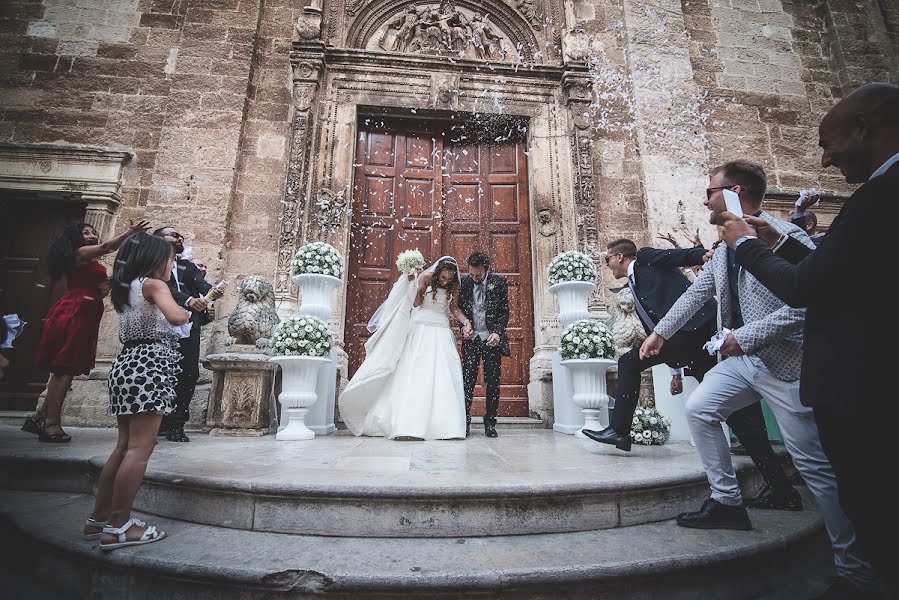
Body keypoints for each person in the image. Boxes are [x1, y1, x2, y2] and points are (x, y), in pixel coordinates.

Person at [642, 160, 875, 597]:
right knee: (700, 408)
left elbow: (805, 306)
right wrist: (658, 333)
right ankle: (727, 501)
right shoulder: (725, 241)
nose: (704, 199)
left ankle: (855, 569)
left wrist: (742, 339)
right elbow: (699, 291)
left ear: (734, 191)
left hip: (787, 364)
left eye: (710, 191)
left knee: (814, 467)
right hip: (746, 360)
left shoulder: (787, 237)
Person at [721, 82, 899, 598]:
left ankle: (868, 579)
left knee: (872, 504)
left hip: (860, 388)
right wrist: (782, 245)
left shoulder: (880, 197)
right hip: (856, 383)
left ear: (864, 128)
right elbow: (840, 278)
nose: (822, 159)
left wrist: (747, 247)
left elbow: (805, 292)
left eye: (829, 142)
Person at [583, 240, 798, 510]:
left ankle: (619, 430)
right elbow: (655, 322)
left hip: (694, 329)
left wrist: (702, 254)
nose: (606, 265)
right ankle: (781, 488)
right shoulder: (634, 283)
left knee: (629, 362)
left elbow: (674, 257)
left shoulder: (647, 259)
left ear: (620, 256)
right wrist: (675, 371)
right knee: (737, 414)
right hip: (690, 343)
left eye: (607, 259)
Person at [82, 232, 188, 550]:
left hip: (126, 363)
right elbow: (176, 316)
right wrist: (186, 310)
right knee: (140, 450)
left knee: (123, 446)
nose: (173, 264)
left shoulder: (123, 286)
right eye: (170, 258)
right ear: (156, 260)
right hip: (149, 367)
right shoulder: (154, 284)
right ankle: (119, 525)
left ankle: (98, 518)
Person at [23, 219, 149, 443]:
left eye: (93, 232)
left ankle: (41, 415)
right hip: (76, 310)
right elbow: (106, 248)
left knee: (63, 368)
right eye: (86, 232)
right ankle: (51, 424)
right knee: (64, 368)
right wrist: (130, 232)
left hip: (88, 309)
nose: (91, 235)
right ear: (76, 237)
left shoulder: (88, 259)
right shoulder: (79, 253)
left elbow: (100, 285)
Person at [338, 256, 471, 440]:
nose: (445, 281)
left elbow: (454, 309)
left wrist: (465, 322)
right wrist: (414, 285)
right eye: (443, 278)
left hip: (441, 329)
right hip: (421, 327)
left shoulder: (454, 285)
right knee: (416, 372)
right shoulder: (425, 277)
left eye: (449, 279)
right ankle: (409, 423)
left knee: (443, 376)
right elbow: (416, 304)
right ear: (437, 273)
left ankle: (445, 426)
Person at [152, 227, 223, 442]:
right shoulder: (153, 267)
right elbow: (166, 289)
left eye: (180, 236)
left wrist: (212, 292)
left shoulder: (186, 266)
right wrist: (189, 300)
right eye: (173, 235)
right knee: (159, 372)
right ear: (159, 239)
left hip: (188, 326)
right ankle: (156, 421)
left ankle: (177, 422)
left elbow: (201, 285)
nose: (179, 238)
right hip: (161, 325)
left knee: (188, 373)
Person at [458, 252, 510, 438]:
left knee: (493, 382)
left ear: (486, 270)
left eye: (478, 275)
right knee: (467, 381)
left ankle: (490, 423)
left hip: (491, 339)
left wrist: (497, 332)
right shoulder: (464, 283)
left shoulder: (499, 282)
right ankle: (464, 422)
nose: (474, 278)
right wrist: (464, 326)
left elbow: (504, 312)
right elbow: (459, 309)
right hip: (472, 340)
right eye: (471, 275)